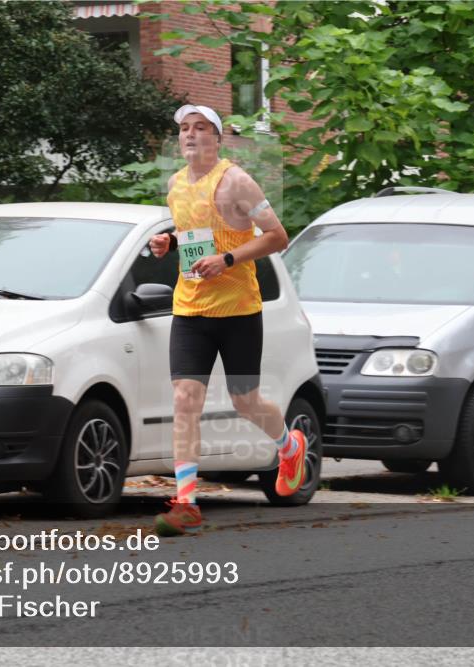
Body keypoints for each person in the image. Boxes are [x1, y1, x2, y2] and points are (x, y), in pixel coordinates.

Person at [150, 104, 307, 537]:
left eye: (201, 127)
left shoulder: (236, 181)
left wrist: (229, 259)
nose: (191, 134)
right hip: (190, 310)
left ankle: (289, 446)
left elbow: (277, 236)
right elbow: (194, 234)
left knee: (244, 401)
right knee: (185, 400)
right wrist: (169, 241)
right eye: (184, 128)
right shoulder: (176, 184)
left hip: (239, 310)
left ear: (217, 139)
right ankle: (186, 503)